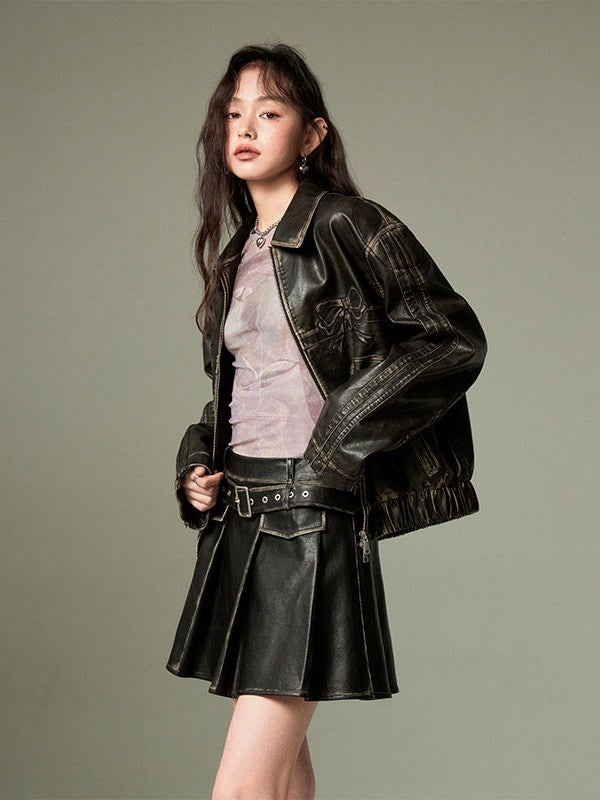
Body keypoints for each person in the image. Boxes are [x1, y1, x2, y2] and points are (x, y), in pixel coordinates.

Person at [166, 43, 487, 800]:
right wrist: (195, 467)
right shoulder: (239, 253)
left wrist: (339, 437)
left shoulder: (348, 224)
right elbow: (242, 393)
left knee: (241, 789)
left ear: (312, 133)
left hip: (309, 516)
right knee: (281, 782)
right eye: (232, 114)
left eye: (269, 112)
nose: (246, 129)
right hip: (240, 518)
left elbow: (450, 339)